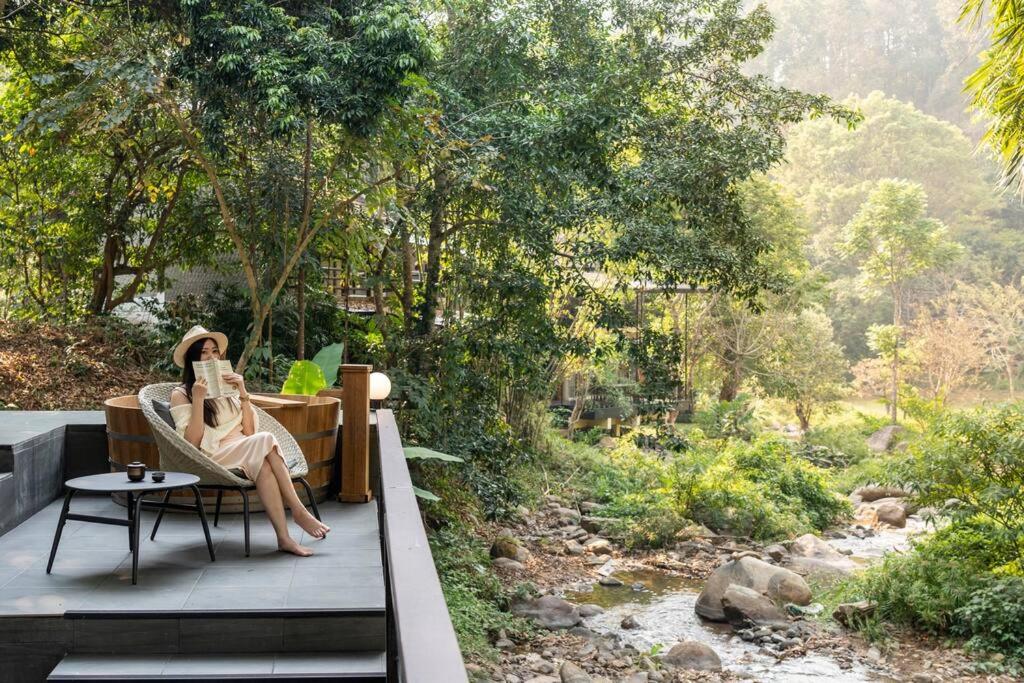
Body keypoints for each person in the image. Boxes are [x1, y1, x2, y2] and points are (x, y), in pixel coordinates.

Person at [168, 325, 329, 557]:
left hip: (244, 446)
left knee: (264, 467)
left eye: (215, 351)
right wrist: (199, 399)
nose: (212, 357)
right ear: (193, 358)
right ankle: (298, 510)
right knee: (267, 439)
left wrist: (242, 391)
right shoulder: (181, 393)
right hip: (215, 454)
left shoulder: (228, 387)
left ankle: (284, 539)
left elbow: (250, 430)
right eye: (204, 352)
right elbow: (191, 443)